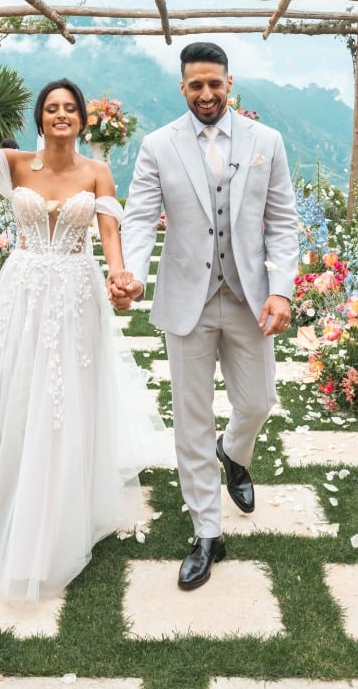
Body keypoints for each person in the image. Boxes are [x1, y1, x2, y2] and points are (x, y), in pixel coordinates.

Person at [0, 53, 168, 602]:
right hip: (24, 287)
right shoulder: (15, 163)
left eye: (70, 109)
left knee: (65, 391)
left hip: (77, 289)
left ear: (83, 120)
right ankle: (0, 489)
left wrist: (119, 276)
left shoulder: (97, 172)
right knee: (17, 381)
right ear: (40, 118)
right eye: (51, 108)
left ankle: (63, 497)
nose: (60, 115)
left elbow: (110, 232)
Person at [115, 42, 298, 591]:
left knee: (259, 401)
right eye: (196, 85)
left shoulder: (267, 141)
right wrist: (134, 274)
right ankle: (206, 531)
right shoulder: (157, 145)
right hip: (185, 299)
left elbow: (283, 220)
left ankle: (235, 452)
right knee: (192, 419)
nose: (206, 94)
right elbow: (142, 216)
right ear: (182, 88)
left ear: (229, 83)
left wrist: (283, 290)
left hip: (248, 296)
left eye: (214, 84)